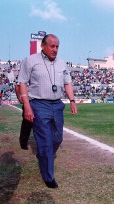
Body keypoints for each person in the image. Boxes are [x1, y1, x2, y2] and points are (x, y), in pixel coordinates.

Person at [18, 34, 78, 188]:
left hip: (57, 105)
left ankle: (43, 154)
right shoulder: (30, 61)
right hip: (38, 104)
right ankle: (48, 176)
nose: (55, 49)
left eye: (57, 46)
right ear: (42, 46)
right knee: (45, 141)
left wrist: (72, 101)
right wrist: (27, 106)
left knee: (57, 139)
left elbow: (68, 83)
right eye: (52, 46)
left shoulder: (62, 63)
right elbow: (22, 83)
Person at [14, 83, 32, 150]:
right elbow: (17, 85)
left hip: (39, 101)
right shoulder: (24, 74)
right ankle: (23, 142)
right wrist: (19, 97)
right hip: (28, 101)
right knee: (27, 123)